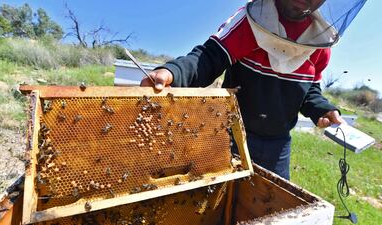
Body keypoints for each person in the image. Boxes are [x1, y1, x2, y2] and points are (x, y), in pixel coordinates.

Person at [140, 0, 365, 180]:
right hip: (231, 135)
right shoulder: (249, 22)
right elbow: (208, 58)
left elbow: (309, 89)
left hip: (278, 145)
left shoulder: (319, 42)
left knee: (272, 207)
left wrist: (322, 109)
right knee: (219, 199)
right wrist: (173, 72)